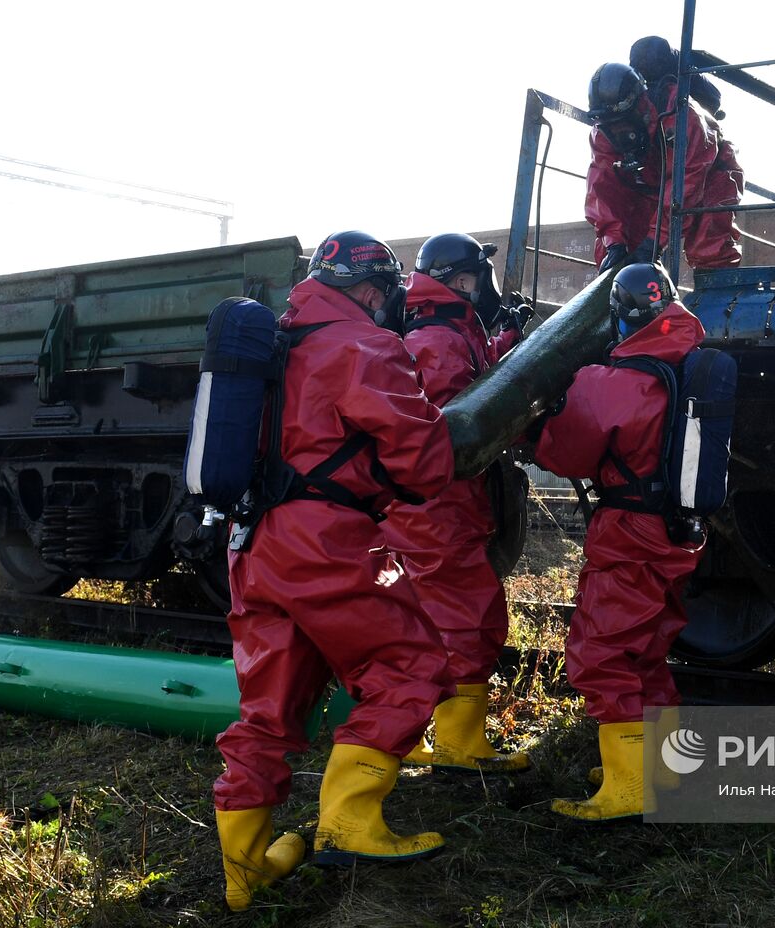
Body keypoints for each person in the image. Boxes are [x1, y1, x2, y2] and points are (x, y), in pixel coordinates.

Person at [212, 231, 456, 911]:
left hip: (253, 543)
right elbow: (426, 464)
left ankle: (246, 866)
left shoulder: (273, 347)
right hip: (341, 544)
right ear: (374, 290)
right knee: (414, 664)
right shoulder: (366, 346)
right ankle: (351, 820)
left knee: (268, 707)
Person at [532, 263, 707, 821]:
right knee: (648, 649)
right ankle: (662, 771)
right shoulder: (695, 361)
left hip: (630, 529)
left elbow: (564, 457)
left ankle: (628, 791)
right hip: (679, 531)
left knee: (603, 653)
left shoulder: (613, 381)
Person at [380, 232, 534, 773]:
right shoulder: (440, 340)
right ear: (462, 280)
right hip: (442, 509)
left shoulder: (442, 330)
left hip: (432, 508)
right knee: (470, 618)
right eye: (476, 279)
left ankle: (417, 732)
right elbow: (456, 421)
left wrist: (508, 340)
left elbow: (470, 379)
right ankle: (460, 743)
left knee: (431, 620)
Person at [584, 60, 744, 274]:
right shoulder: (603, 134)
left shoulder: (682, 118)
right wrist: (614, 243)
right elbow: (601, 189)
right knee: (616, 251)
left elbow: (688, 184)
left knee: (708, 243)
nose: (619, 131)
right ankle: (625, 296)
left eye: (623, 123)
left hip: (711, 171)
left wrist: (654, 242)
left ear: (640, 108)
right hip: (652, 181)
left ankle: (719, 296)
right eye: (611, 126)